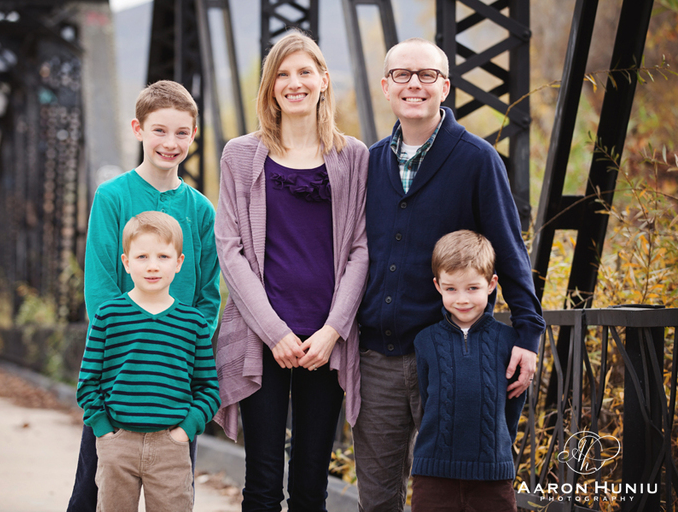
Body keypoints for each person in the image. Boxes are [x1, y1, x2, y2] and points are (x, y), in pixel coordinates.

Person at [353, 37, 545, 511]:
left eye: (427, 75)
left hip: (452, 357)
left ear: (446, 87)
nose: (414, 85)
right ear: (386, 86)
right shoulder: (368, 162)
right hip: (377, 357)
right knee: (376, 500)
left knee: (456, 495)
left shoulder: (476, 159)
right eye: (402, 75)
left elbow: (509, 249)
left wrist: (529, 332)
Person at [213, 30, 369, 511]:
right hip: (262, 338)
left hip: (325, 340)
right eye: (282, 74)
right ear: (270, 86)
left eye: (304, 72)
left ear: (324, 79)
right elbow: (230, 249)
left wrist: (334, 331)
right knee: (261, 485)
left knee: (310, 486)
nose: (294, 83)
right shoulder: (240, 155)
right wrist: (274, 331)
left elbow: (361, 249)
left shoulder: (353, 156)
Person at [67, 80, 221, 512]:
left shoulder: (201, 209)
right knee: (92, 493)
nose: (170, 143)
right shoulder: (112, 197)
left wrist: (183, 343)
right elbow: (100, 286)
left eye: (181, 133)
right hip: (119, 373)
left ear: (193, 135)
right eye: (159, 131)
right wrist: (127, 345)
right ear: (138, 129)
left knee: (172, 494)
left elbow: (208, 293)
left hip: (173, 378)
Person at [76, 211, 220, 511]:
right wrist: (104, 431)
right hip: (118, 444)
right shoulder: (108, 316)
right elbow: (87, 383)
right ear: (126, 262)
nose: (152, 266)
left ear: (178, 262)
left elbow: (208, 388)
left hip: (171, 446)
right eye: (142, 257)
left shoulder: (193, 323)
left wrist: (185, 431)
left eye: (163, 256)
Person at [411, 230, 525, 512]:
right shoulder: (425, 341)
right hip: (433, 476)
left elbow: (513, 406)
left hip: (492, 477)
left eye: (472, 288)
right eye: (451, 289)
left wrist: (498, 451)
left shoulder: (509, 341)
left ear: (491, 284)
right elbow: (425, 402)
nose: (462, 299)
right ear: (438, 286)